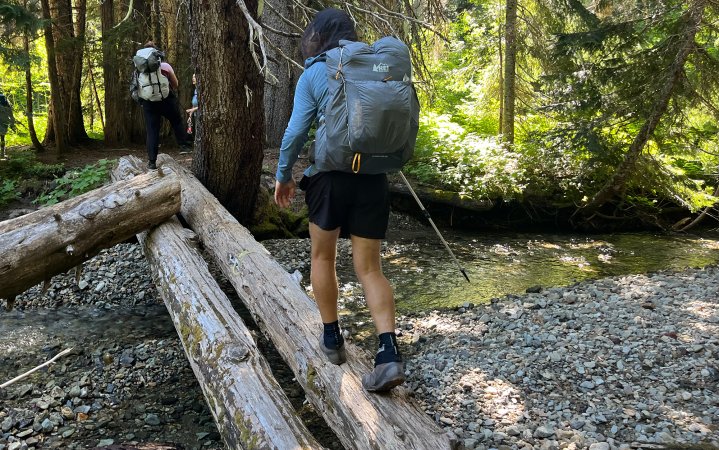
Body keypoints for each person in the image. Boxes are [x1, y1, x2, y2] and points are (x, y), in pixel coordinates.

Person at [274, 8, 405, 393]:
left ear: (319, 36)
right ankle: (389, 353)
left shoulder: (317, 71)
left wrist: (284, 176)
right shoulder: (375, 66)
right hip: (373, 179)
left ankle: (332, 340)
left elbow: (296, 131)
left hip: (330, 179)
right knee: (370, 269)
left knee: (323, 258)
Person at [135, 41, 192, 169]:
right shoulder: (165, 66)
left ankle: (151, 162)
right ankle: (184, 145)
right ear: (156, 53)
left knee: (152, 130)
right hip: (166, 100)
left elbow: (136, 88)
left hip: (149, 103)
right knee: (176, 121)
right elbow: (175, 84)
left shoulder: (139, 69)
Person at [0, 92, 16, 160]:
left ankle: (2, 154)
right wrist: (12, 125)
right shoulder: (7, 106)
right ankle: (2, 154)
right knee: (2, 138)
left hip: (4, 124)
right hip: (4, 124)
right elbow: (11, 116)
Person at [185, 73, 198, 141]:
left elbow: (202, 106)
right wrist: (190, 116)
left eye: (195, 77)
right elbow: (194, 105)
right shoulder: (195, 90)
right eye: (192, 77)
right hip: (196, 117)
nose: (193, 78)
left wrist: (191, 110)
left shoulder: (201, 91)